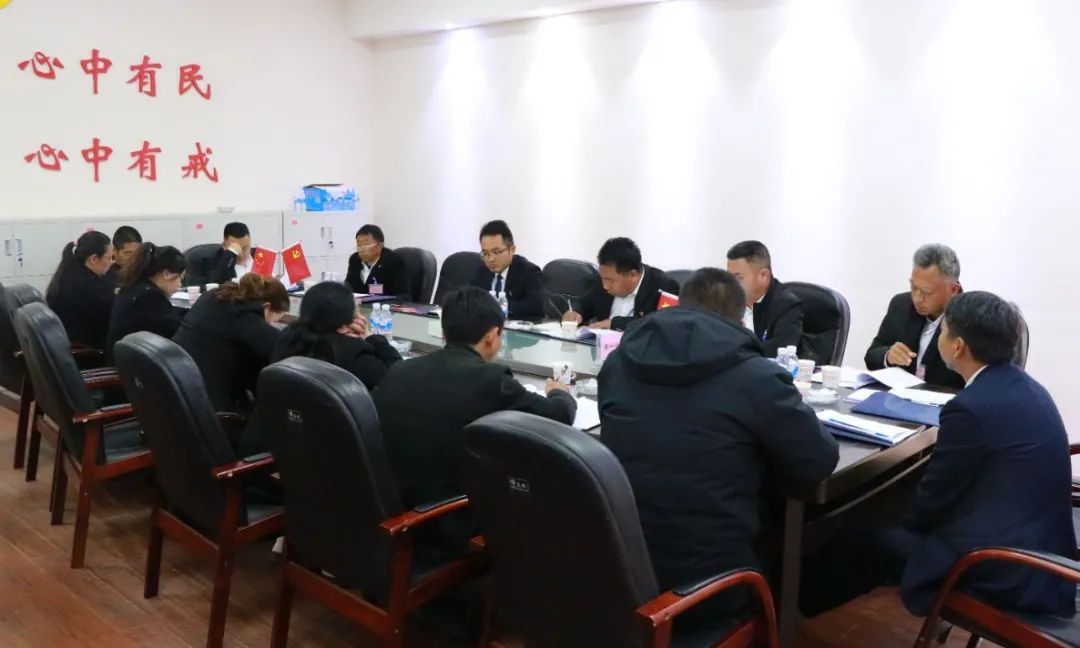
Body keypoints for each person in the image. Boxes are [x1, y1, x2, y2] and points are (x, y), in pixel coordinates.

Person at [802, 291, 1076, 619]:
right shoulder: (1028, 388)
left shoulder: (970, 408)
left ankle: (784, 604)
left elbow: (932, 502)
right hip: (1042, 548)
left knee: (861, 536)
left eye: (943, 332)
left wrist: (883, 514)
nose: (938, 340)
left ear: (958, 346)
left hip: (1000, 565)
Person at [599, 267, 838, 626]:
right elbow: (818, 461)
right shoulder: (757, 376)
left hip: (621, 568)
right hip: (709, 584)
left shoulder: (618, 362)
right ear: (740, 320)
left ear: (679, 305)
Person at [374, 286, 576, 566]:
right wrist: (560, 393)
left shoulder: (400, 370)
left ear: (444, 331)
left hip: (392, 509)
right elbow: (558, 417)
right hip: (446, 522)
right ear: (492, 337)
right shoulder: (491, 379)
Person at [173, 274, 289, 412]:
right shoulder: (246, 319)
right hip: (209, 405)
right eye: (274, 320)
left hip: (177, 387)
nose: (272, 325)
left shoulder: (213, 296)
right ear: (267, 307)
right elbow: (280, 350)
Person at [865, 244, 964, 389]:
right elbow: (871, 356)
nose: (917, 298)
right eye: (913, 287)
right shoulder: (901, 305)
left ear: (953, 290)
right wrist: (888, 356)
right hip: (898, 396)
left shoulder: (969, 320)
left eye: (926, 291)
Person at [272, 281, 402, 390]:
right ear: (343, 326)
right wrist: (370, 336)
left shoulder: (288, 337)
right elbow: (399, 375)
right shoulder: (353, 351)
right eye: (356, 312)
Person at [564, 237, 679, 331]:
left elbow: (661, 325)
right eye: (603, 278)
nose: (605, 286)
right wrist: (576, 311)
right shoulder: (605, 277)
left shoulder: (665, 286)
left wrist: (615, 323)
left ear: (633, 275)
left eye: (610, 281)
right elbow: (584, 302)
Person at [106, 243, 187, 362]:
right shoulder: (149, 296)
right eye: (180, 277)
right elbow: (176, 330)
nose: (180, 284)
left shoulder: (133, 286)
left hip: (125, 361)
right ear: (166, 274)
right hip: (133, 367)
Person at [726, 240, 803, 358]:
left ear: (763, 276)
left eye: (738, 278)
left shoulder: (787, 305)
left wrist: (737, 350)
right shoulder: (727, 300)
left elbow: (780, 348)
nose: (731, 284)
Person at [45, 231, 115, 350]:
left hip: (66, 343)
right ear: (94, 259)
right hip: (86, 351)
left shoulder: (70, 271)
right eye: (109, 258)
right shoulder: (89, 286)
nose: (111, 262)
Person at [470, 220, 544, 319]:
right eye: (485, 253)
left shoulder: (528, 271)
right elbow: (471, 299)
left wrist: (498, 307)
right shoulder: (483, 270)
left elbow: (537, 306)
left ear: (512, 250)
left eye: (496, 252)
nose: (490, 259)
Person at [344, 224, 412, 298]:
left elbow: (402, 296)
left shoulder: (394, 261)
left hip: (385, 303)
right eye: (359, 245)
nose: (361, 250)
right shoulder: (355, 259)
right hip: (360, 303)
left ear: (380, 246)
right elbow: (348, 287)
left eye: (366, 245)